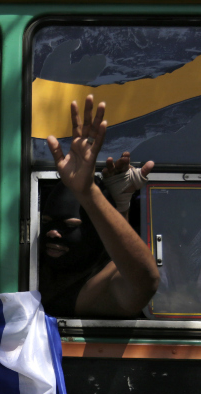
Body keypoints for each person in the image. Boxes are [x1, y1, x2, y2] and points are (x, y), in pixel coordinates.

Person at [40, 95, 160, 317]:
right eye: (47, 223)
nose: (54, 233)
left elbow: (145, 279)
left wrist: (89, 194)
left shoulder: (103, 284)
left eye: (70, 225)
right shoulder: (31, 270)